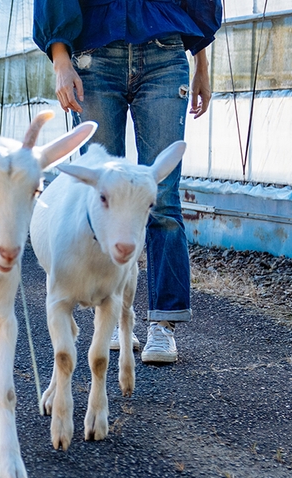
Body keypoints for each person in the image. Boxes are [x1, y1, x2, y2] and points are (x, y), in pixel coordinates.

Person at [33, 1, 223, 363]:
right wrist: (60, 59)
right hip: (94, 56)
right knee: (101, 190)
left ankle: (162, 326)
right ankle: (116, 316)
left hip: (165, 54)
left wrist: (202, 64)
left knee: (163, 196)